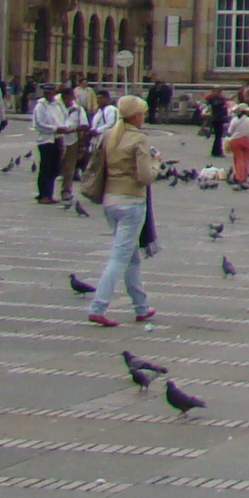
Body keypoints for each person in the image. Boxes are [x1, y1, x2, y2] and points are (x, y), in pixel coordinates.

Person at [78, 92, 159, 325]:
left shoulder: (108, 135)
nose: (143, 116)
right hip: (131, 201)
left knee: (130, 256)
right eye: (142, 113)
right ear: (135, 116)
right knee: (119, 257)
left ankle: (141, 306)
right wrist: (157, 164)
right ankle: (98, 306)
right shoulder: (138, 139)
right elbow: (145, 177)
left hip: (109, 200)